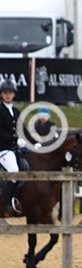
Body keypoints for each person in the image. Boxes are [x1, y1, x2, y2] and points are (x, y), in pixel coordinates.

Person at [0, 79, 24, 214]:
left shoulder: (15, 111)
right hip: (3, 149)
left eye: (10, 93)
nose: (8, 95)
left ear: (14, 94)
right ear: (1, 94)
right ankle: (8, 203)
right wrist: (16, 139)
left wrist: (35, 142)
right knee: (14, 170)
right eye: (5, 93)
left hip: (14, 148)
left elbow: (23, 129)